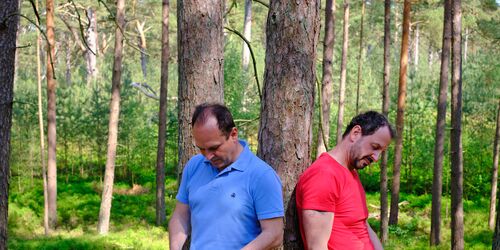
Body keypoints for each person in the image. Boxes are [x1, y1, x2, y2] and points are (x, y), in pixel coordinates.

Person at [168, 103, 284, 250]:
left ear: (233, 134)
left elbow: (274, 234)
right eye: (202, 149)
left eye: (214, 148)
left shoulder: (262, 176)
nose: (208, 156)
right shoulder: (194, 166)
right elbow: (181, 216)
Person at [296, 111, 395, 250]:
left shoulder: (350, 172)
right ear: (355, 133)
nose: (376, 157)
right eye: (375, 147)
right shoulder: (324, 175)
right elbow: (316, 246)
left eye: (381, 152)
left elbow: (363, 225)